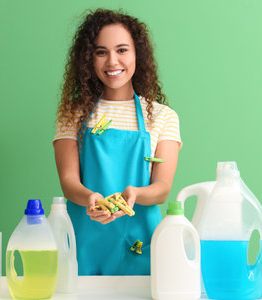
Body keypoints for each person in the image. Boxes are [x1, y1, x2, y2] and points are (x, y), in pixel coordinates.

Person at [53, 8, 182, 275]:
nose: (112, 61)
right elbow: (68, 181)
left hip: (142, 243)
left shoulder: (162, 116)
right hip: (85, 244)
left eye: (122, 50)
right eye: (101, 52)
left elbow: (162, 187)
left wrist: (134, 195)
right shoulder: (72, 114)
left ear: (138, 55)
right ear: (89, 59)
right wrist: (90, 198)